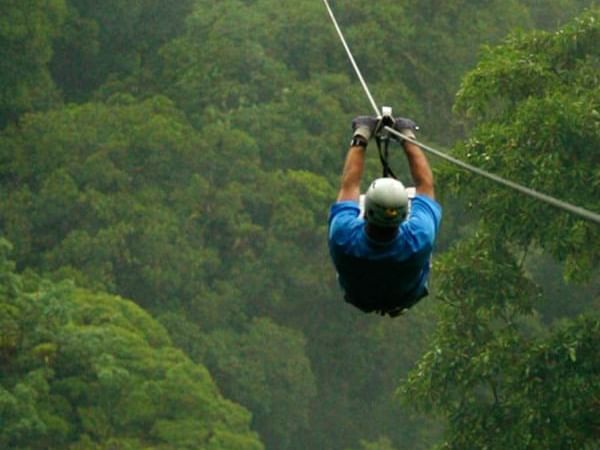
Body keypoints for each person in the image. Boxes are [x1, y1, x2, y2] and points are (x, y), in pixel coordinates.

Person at [328, 115, 442, 317]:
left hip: (360, 296)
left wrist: (361, 135)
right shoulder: (418, 238)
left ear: (368, 212)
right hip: (406, 294)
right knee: (418, 198)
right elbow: (425, 185)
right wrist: (407, 137)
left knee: (351, 202)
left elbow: (350, 185)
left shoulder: (343, 237)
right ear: (403, 216)